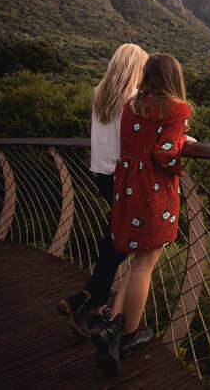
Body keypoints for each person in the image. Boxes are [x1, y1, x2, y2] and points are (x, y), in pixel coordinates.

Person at [93, 53, 194, 376]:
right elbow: (164, 155)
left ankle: (114, 324)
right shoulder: (178, 108)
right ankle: (129, 335)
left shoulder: (131, 106)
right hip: (153, 193)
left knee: (136, 260)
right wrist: (182, 138)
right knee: (144, 266)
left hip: (127, 189)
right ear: (174, 77)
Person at [58, 43, 148, 338]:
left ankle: (88, 302)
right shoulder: (134, 100)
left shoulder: (100, 95)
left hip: (102, 175)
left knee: (115, 238)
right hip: (124, 178)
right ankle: (91, 305)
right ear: (137, 68)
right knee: (120, 243)